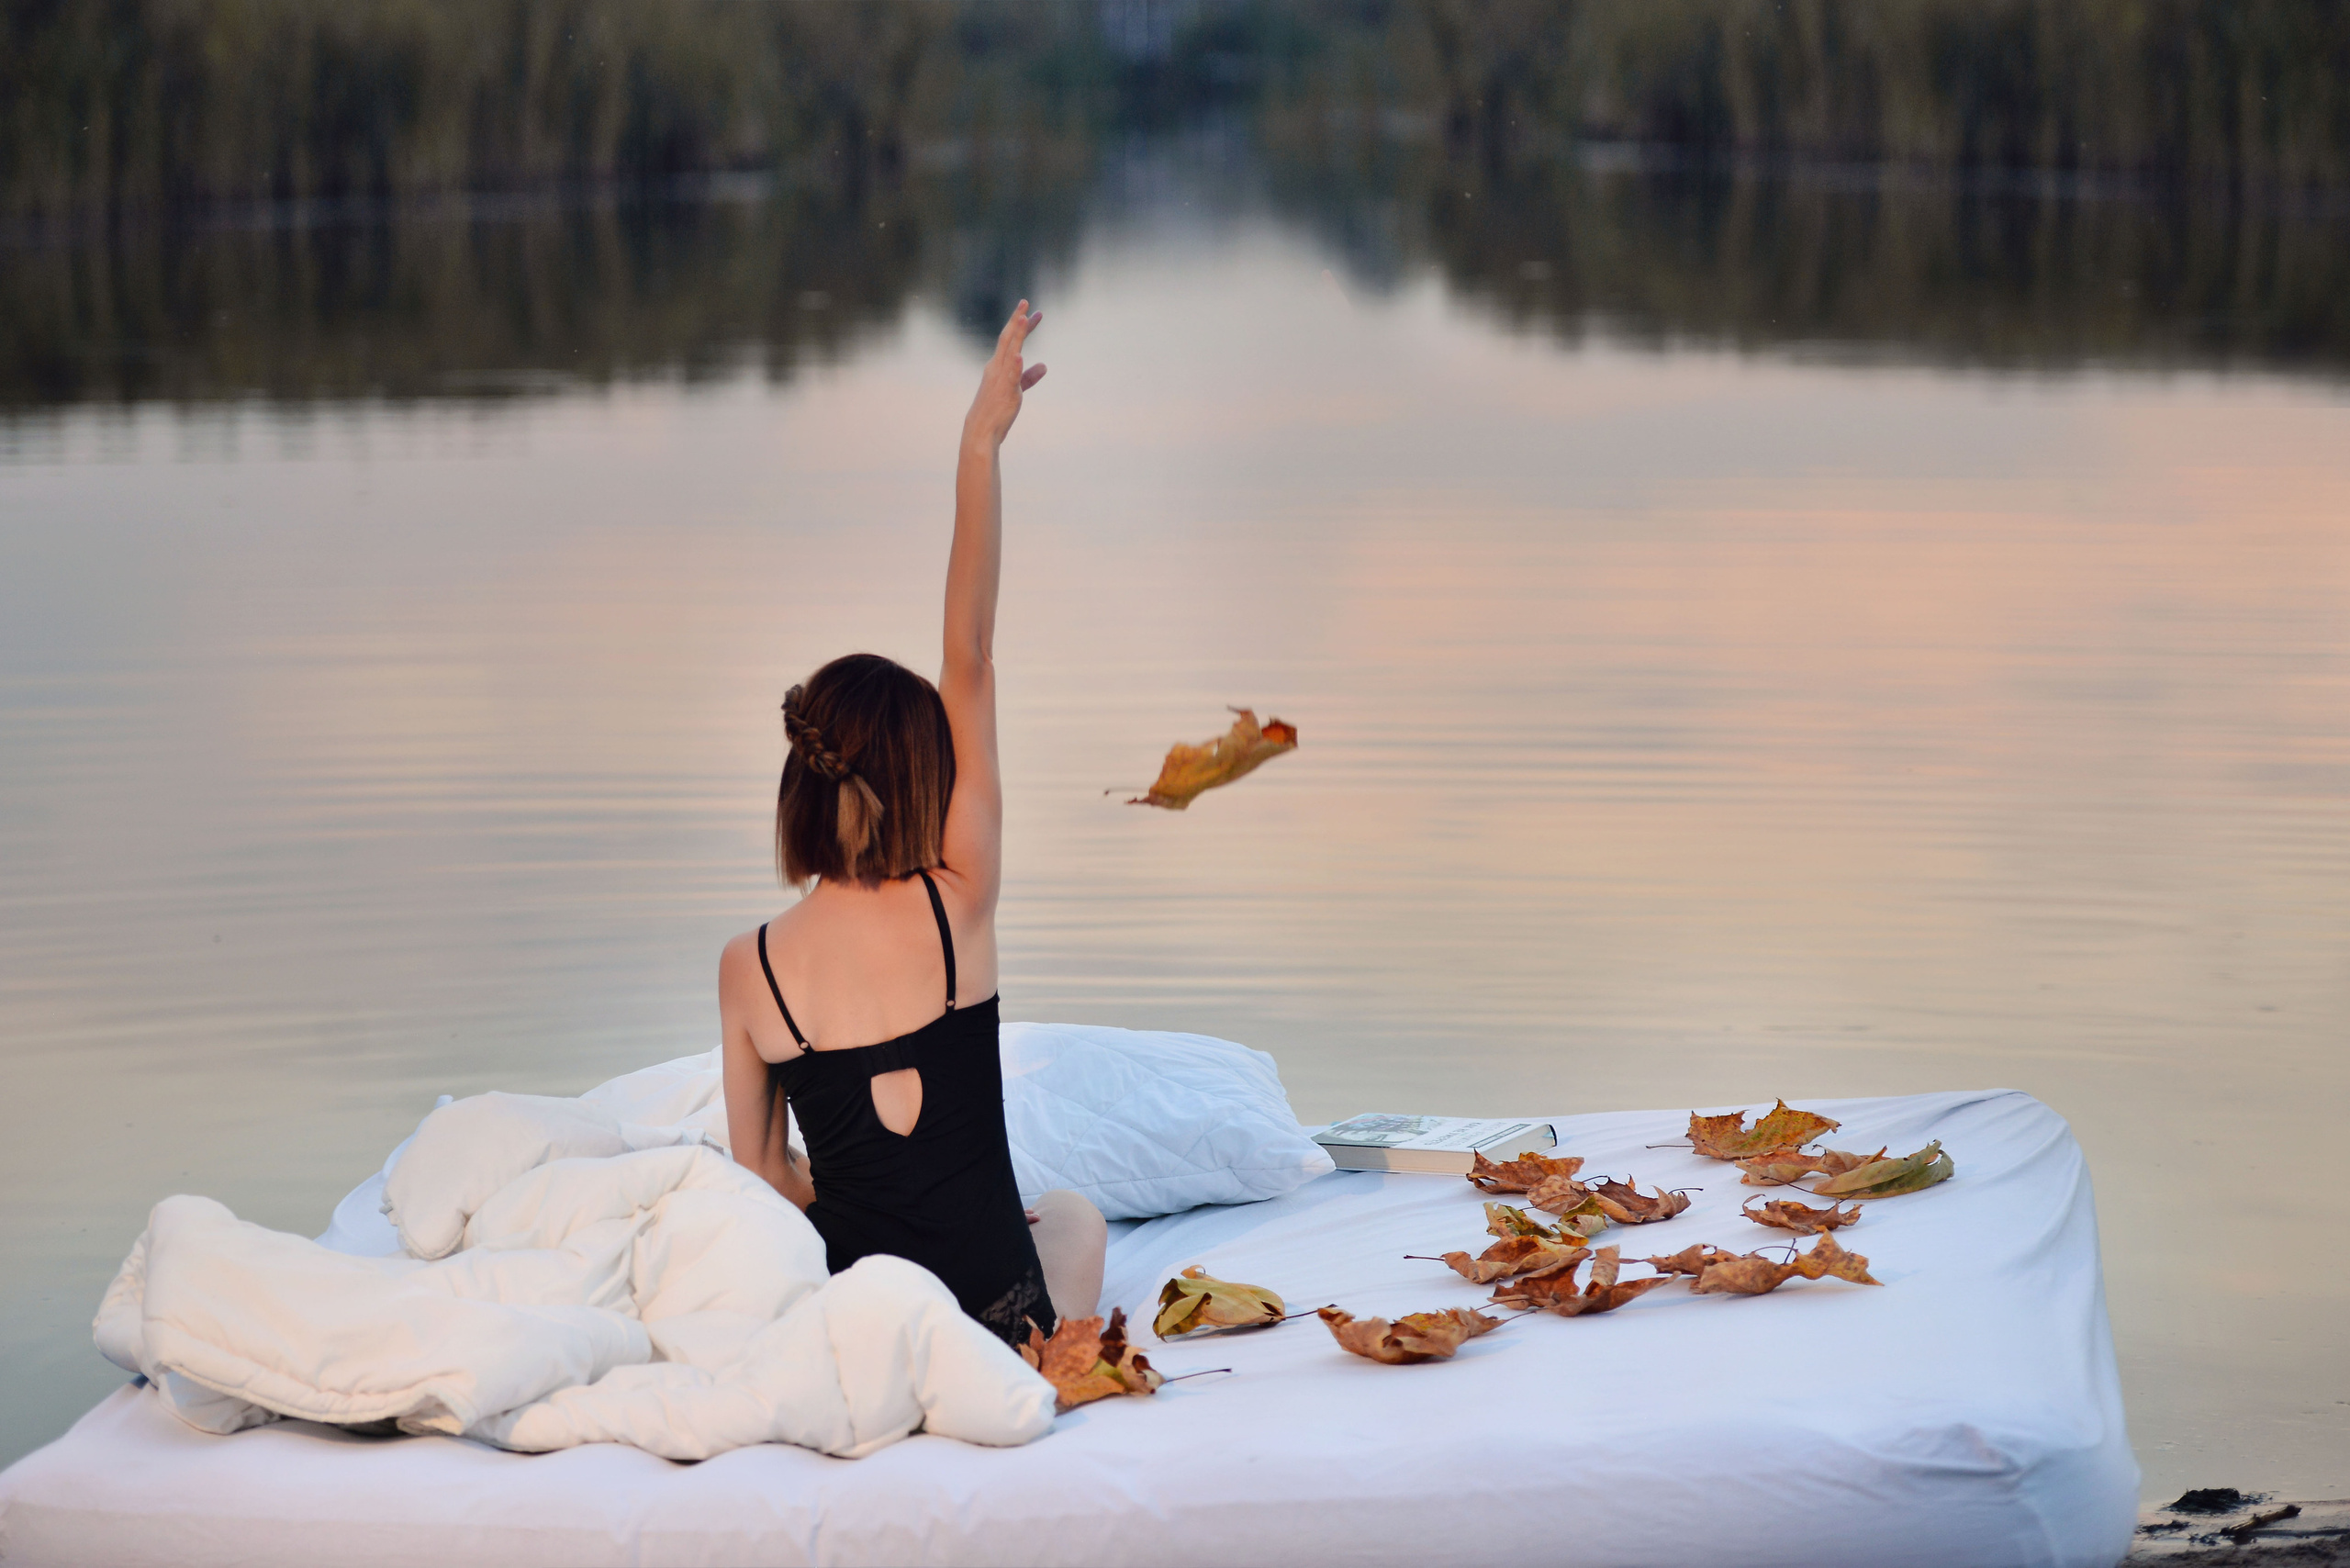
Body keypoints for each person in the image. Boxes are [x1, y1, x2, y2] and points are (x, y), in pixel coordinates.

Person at [719, 300, 1104, 1351]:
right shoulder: (957, 899)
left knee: (836, 1214)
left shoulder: (749, 966)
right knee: (1071, 1218)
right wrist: (979, 443)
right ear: (923, 778)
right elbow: (968, 653)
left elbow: (763, 1176)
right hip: (999, 1307)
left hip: (863, 1313)